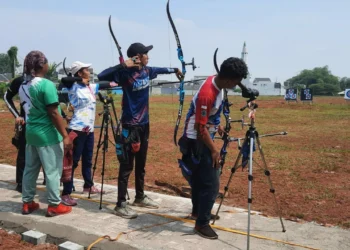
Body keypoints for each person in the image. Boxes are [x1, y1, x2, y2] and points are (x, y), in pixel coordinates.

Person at [98, 42, 183, 219]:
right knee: (126, 165)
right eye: (145, 54)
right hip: (130, 125)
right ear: (137, 57)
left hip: (145, 124)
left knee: (141, 164)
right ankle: (121, 204)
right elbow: (101, 75)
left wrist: (175, 69)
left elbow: (160, 69)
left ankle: (139, 196)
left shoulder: (147, 71)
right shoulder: (125, 73)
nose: (148, 56)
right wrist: (124, 64)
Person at [178, 57, 249, 239]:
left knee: (200, 180)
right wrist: (214, 150)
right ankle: (201, 224)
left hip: (201, 136)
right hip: (197, 141)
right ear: (228, 79)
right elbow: (199, 128)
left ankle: (197, 213)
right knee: (211, 183)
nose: (237, 84)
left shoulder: (217, 84)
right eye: (236, 81)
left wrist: (217, 127)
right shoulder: (207, 93)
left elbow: (208, 117)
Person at [20, 50, 73, 217]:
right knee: (52, 171)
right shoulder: (46, 84)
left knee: (30, 169)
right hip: (48, 135)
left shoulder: (23, 86)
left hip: (31, 133)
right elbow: (54, 113)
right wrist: (65, 135)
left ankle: (27, 202)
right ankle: (54, 205)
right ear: (42, 65)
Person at [59, 61, 118, 206]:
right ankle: (66, 193)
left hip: (89, 130)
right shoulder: (73, 86)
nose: (89, 71)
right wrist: (80, 80)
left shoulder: (90, 87)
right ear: (79, 73)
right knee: (72, 162)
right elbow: (64, 80)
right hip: (77, 130)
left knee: (88, 159)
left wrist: (116, 81)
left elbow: (105, 84)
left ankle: (88, 185)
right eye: (86, 69)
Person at [4, 77, 69, 192]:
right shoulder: (20, 81)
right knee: (25, 156)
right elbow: (7, 97)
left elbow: (53, 104)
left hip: (47, 124)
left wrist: (63, 116)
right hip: (29, 124)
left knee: (48, 155)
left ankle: (48, 182)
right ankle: (21, 184)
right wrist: (17, 116)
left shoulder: (44, 82)